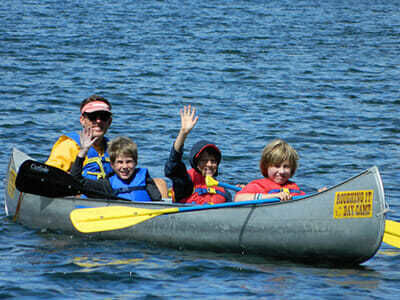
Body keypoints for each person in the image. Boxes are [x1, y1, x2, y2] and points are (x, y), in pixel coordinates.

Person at [70, 128, 162, 201]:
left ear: (136, 162)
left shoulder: (144, 178)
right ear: (112, 165)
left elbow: (157, 200)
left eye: (129, 161)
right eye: (120, 162)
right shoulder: (107, 185)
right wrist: (83, 152)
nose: (125, 166)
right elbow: (76, 179)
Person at [164, 105, 231, 204]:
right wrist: (183, 133)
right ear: (196, 163)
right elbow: (173, 166)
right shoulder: (186, 182)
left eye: (213, 161)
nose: (209, 164)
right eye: (204, 160)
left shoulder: (223, 190)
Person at [45, 95, 113, 180]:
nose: (98, 121)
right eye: (93, 116)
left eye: (104, 116)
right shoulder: (69, 145)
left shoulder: (113, 149)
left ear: (109, 122)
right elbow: (49, 176)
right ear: (82, 120)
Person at [234, 139, 306, 202]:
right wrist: (274, 196)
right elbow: (238, 199)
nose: (282, 171)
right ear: (266, 167)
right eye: (277, 166)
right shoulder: (258, 186)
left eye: (286, 167)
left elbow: (307, 200)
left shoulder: (293, 187)